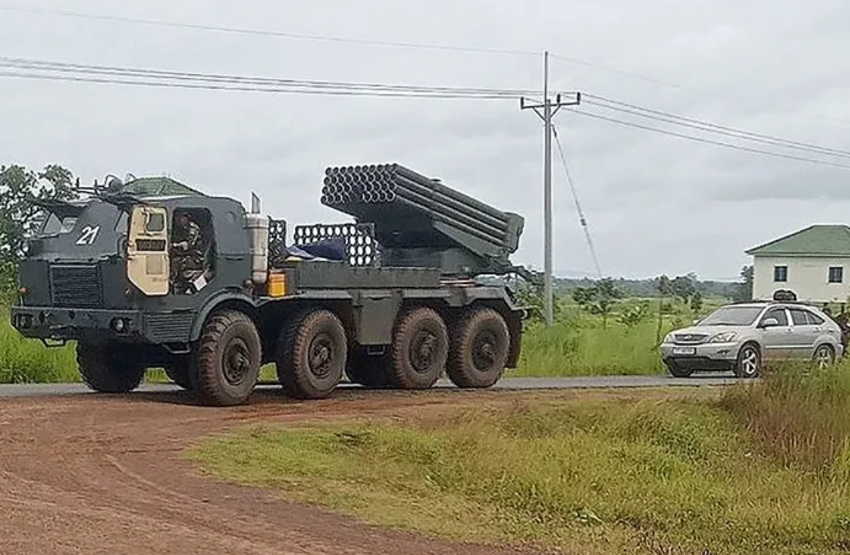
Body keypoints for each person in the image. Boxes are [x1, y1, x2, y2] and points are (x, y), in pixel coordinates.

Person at [171, 212, 205, 293]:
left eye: (181, 218)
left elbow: (188, 245)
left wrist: (175, 245)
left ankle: (172, 283)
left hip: (196, 257)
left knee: (175, 262)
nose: (179, 220)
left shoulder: (193, 228)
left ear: (186, 218)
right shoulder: (182, 228)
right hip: (188, 255)